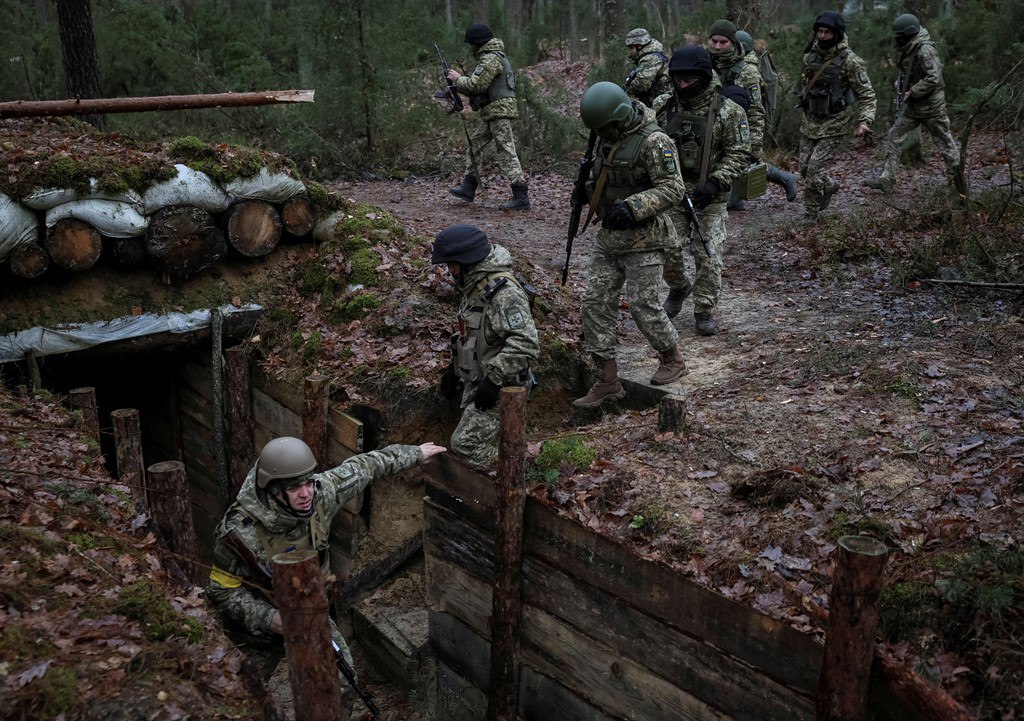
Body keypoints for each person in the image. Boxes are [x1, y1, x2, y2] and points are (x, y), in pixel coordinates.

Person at [206, 436, 446, 679]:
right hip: (255, 636)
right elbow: (220, 590)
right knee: (244, 690)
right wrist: (270, 619)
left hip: (311, 616)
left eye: (308, 483)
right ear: (273, 490)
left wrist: (415, 453)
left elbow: (366, 466)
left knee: (340, 682)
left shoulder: (322, 494)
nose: (305, 494)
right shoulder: (240, 533)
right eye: (293, 488)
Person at [573, 81, 687, 407]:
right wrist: (586, 191)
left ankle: (672, 358)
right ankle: (607, 379)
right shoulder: (606, 138)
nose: (600, 134)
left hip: (646, 237)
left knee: (643, 305)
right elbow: (606, 175)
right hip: (610, 238)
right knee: (594, 303)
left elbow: (673, 188)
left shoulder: (654, 141)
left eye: (604, 128)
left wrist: (634, 207)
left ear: (619, 117)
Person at [653, 46, 750, 336]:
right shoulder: (662, 106)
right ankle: (679, 287)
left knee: (709, 255)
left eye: (689, 80)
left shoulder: (729, 112)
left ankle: (704, 309)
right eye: (678, 80)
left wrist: (716, 182)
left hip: (710, 196)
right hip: (671, 192)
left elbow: (739, 153)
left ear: (704, 77)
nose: (682, 85)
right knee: (666, 249)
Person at [432, 224, 539, 465]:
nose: (449, 271)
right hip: (480, 379)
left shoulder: (504, 294)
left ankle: (517, 469)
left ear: (467, 261)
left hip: (505, 385)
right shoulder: (476, 286)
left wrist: (493, 381)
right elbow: (473, 333)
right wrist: (454, 369)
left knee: (465, 444)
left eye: (452, 264)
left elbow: (526, 344)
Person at [863, 13, 964, 194]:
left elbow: (934, 78)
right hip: (914, 107)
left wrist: (913, 91)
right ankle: (887, 179)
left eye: (900, 35)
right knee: (894, 136)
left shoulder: (925, 49)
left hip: (932, 107)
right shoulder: (911, 48)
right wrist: (902, 85)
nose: (897, 39)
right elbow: (911, 72)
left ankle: (958, 183)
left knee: (945, 143)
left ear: (908, 33)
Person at [796, 11, 876, 224]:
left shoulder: (850, 61)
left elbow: (866, 94)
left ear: (837, 34)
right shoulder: (810, 57)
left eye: (827, 32)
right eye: (820, 31)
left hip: (836, 123)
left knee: (814, 169)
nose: (822, 36)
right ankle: (830, 186)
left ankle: (810, 214)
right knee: (804, 168)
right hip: (810, 121)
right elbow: (804, 84)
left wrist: (865, 120)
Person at [447, 23, 529, 210]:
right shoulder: (491, 56)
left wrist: (458, 79)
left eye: (471, 44)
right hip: (494, 111)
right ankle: (469, 187)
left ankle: (521, 195)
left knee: (506, 151)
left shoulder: (491, 58)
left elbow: (476, 85)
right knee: (475, 144)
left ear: (477, 42)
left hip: (499, 111)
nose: (471, 48)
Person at [729, 29, 799, 210]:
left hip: (745, 124)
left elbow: (756, 109)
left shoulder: (749, 71)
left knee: (743, 159)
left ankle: (784, 178)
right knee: (739, 160)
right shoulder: (731, 65)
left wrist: (756, 142)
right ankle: (785, 178)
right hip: (732, 122)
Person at [624, 27, 672, 108]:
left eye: (632, 47)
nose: (630, 51)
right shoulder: (650, 56)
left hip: (660, 102)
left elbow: (641, 84)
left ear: (639, 46)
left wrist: (626, 92)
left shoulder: (651, 59)